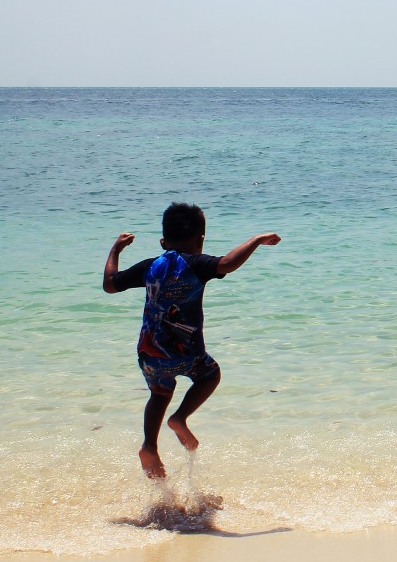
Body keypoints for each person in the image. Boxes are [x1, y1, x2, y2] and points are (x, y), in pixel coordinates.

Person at [102, 202, 281, 479]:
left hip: (150, 353)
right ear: (201, 240)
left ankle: (150, 445)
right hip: (187, 352)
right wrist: (256, 240)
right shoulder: (197, 263)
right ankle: (180, 418)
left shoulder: (150, 267)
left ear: (163, 242)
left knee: (159, 394)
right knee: (210, 375)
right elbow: (227, 264)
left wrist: (116, 249)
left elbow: (110, 284)